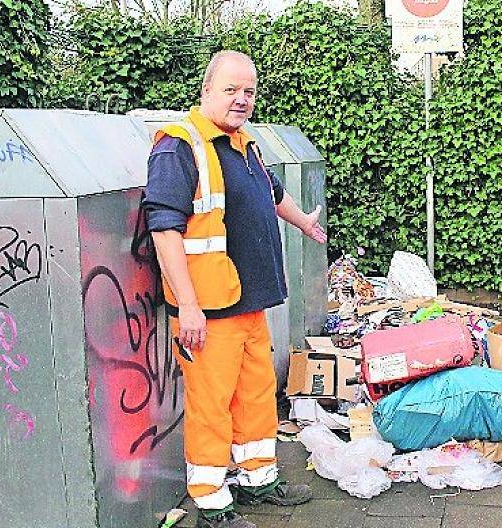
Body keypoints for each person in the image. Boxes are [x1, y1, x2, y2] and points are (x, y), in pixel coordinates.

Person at [142, 50, 326, 528]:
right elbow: (164, 228)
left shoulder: (244, 143)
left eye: (249, 91)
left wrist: (303, 221)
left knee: (256, 394)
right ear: (206, 91)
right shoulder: (180, 147)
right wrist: (188, 306)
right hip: (209, 308)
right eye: (231, 90)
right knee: (211, 404)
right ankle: (209, 498)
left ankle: (258, 478)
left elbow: (269, 192)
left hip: (248, 301)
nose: (241, 99)